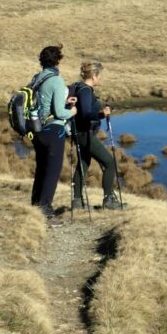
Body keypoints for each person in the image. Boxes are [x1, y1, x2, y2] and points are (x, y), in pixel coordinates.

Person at [30, 44, 76, 225]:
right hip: (53, 130)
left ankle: (35, 205)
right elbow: (59, 112)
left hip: (38, 130)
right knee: (52, 171)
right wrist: (72, 111)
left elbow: (45, 102)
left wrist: (64, 100)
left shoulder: (37, 78)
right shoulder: (56, 80)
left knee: (41, 169)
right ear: (57, 60)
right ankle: (46, 210)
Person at [70, 61, 124, 210]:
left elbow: (83, 112)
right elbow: (86, 113)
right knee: (109, 162)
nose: (101, 79)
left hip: (79, 133)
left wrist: (99, 114)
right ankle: (108, 200)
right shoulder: (86, 91)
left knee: (83, 165)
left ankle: (77, 201)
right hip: (84, 134)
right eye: (100, 76)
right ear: (94, 76)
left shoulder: (78, 87)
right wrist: (102, 113)